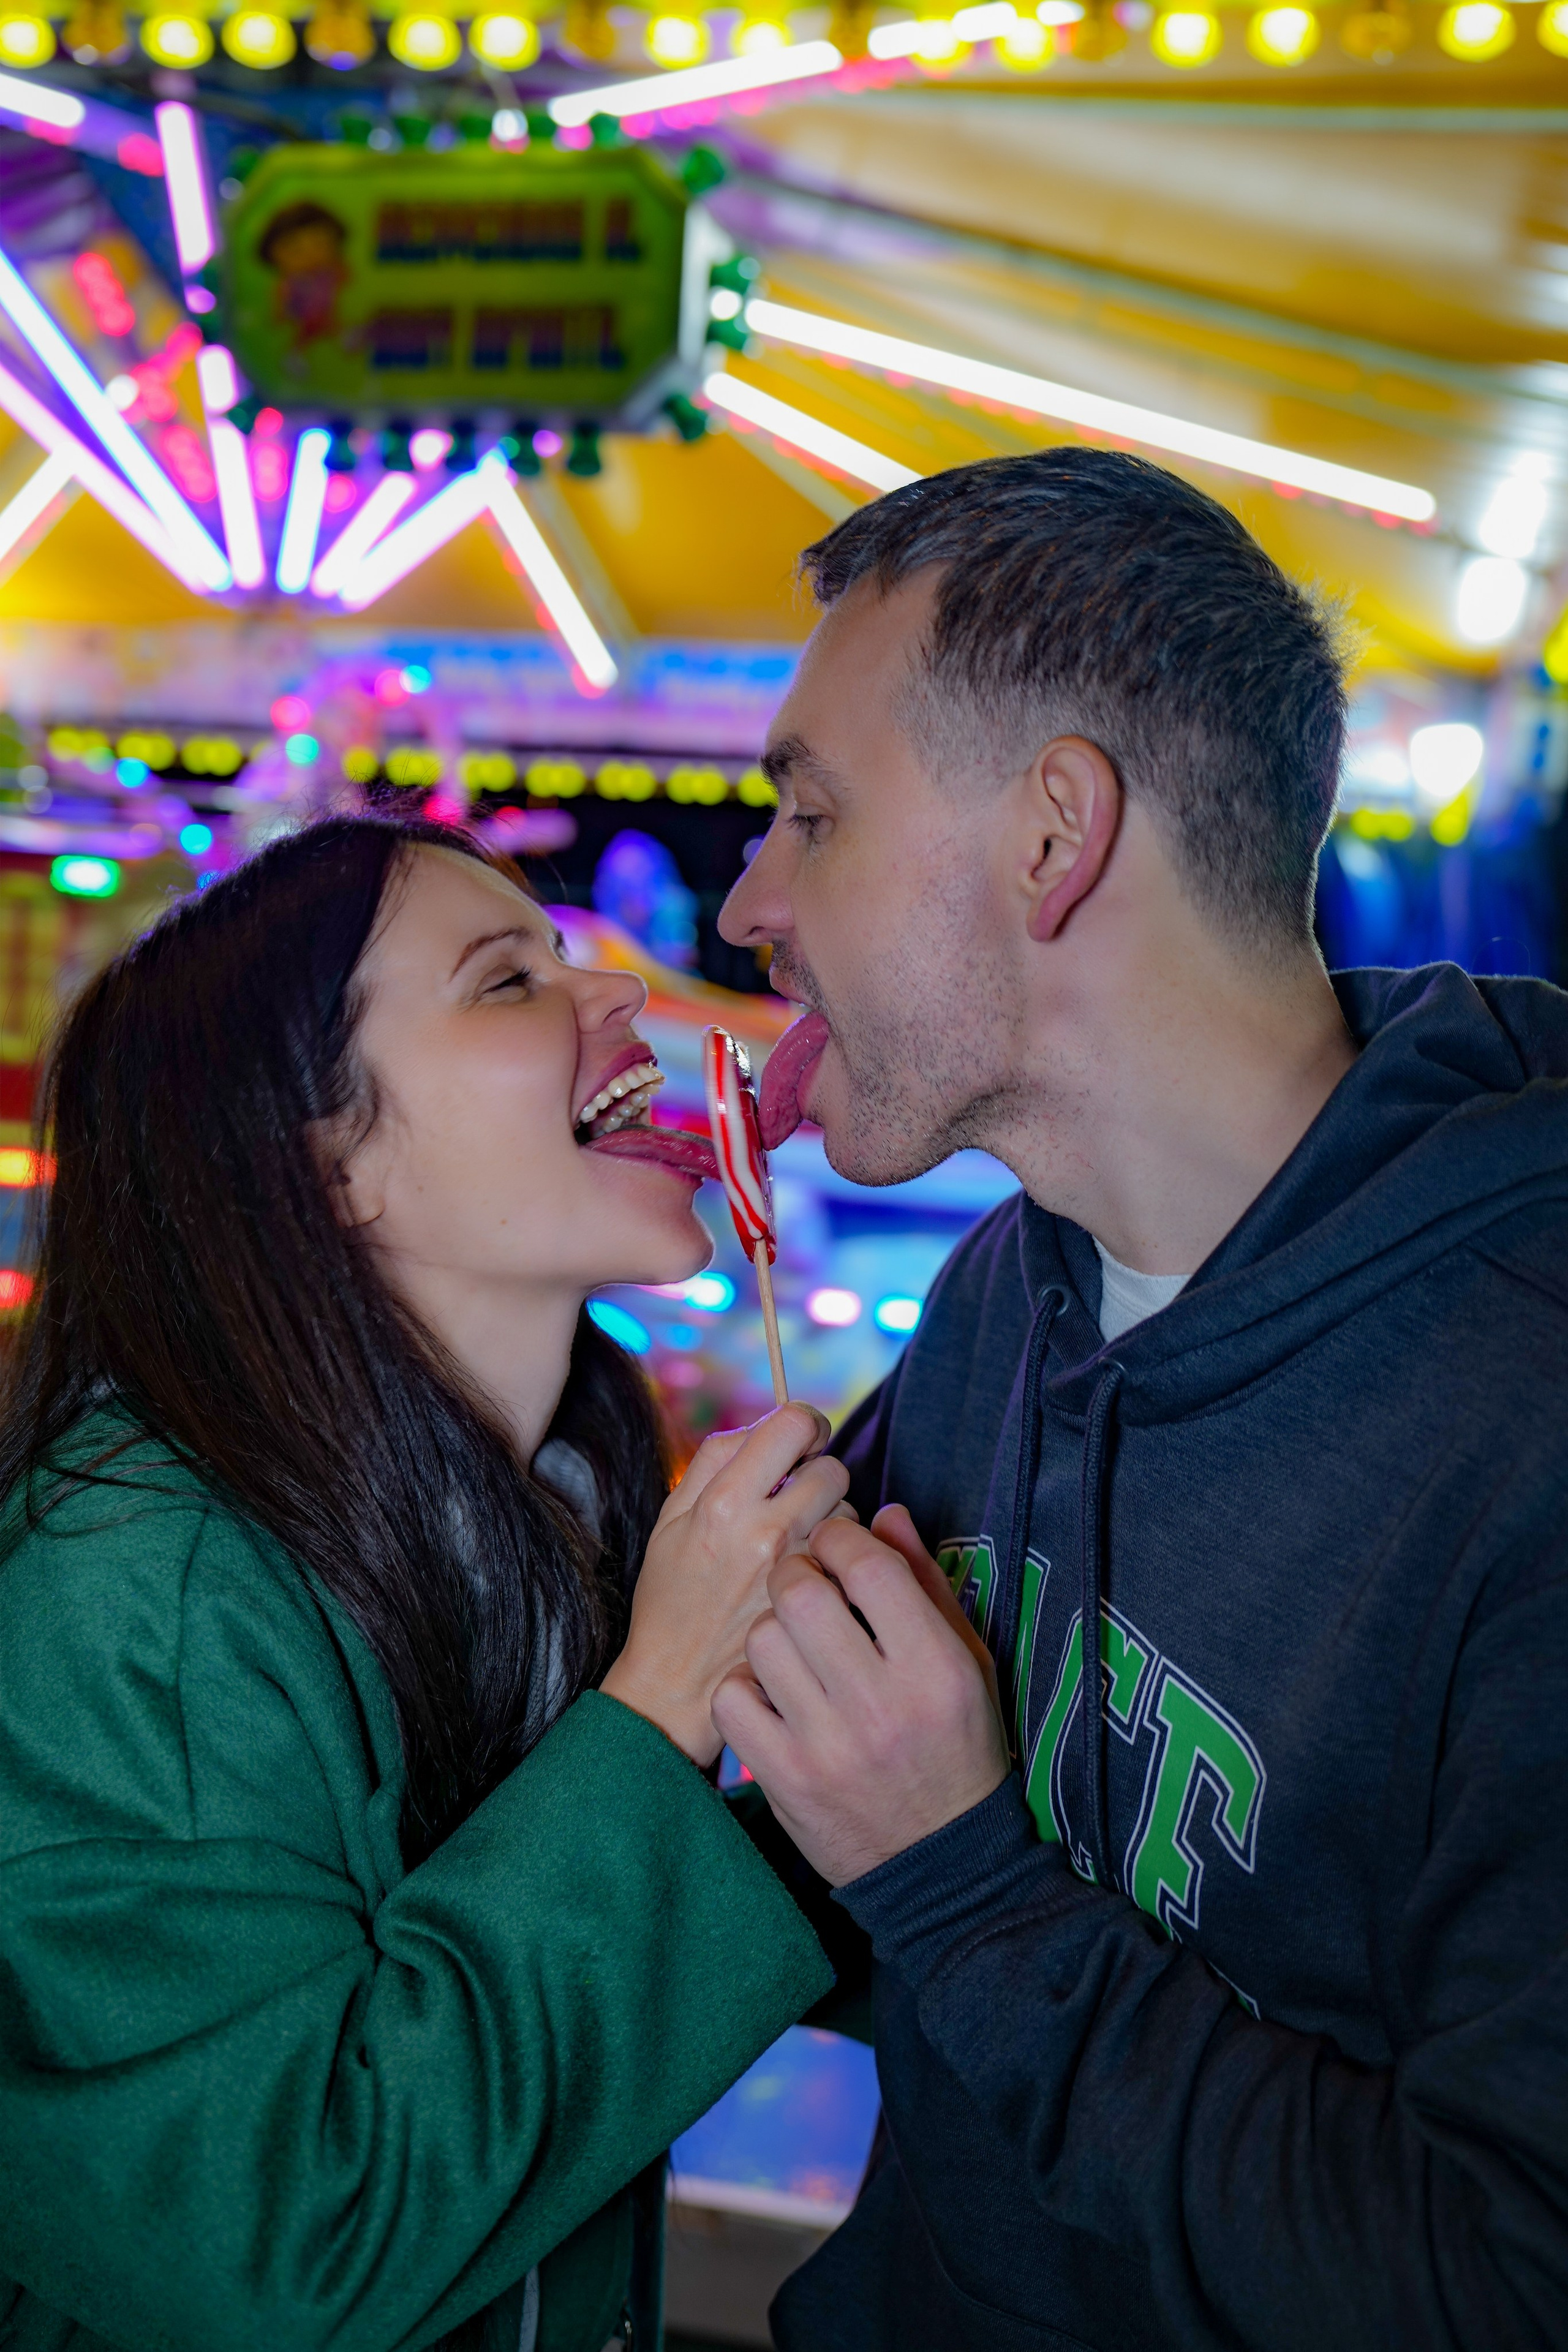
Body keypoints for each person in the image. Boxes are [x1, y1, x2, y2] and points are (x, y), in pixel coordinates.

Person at [714, 450, 1568, 2350]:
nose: (749, 899)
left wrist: (967, 1889)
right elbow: (808, 1871)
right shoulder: (998, 1298)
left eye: (811, 815)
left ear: (1052, 838)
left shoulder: (1524, 1411)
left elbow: (1505, 2284)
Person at [0, 816, 847, 2352]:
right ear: (329, 1164)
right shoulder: (147, 1580)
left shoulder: (548, 1519)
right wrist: (658, 1702)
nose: (613, 998)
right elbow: (275, 2243)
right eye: (509, 981)